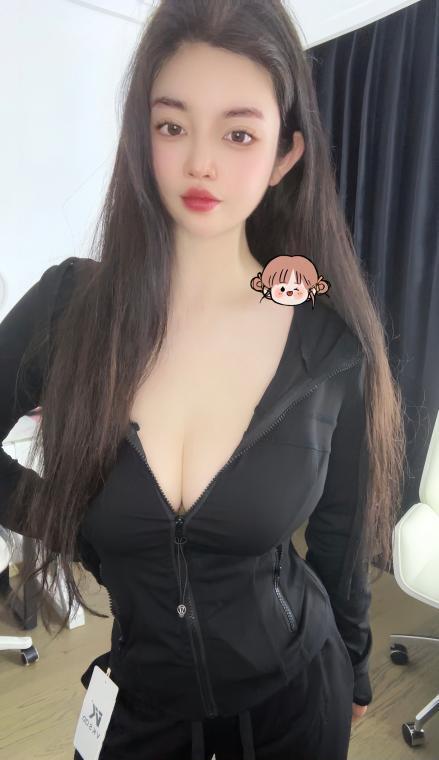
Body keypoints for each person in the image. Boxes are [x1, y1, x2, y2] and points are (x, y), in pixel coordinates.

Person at [0, 1, 406, 759]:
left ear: (284, 154)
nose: (201, 163)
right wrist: (74, 524)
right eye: (171, 125)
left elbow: (341, 538)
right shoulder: (67, 310)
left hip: (297, 698)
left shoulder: (326, 345)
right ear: (140, 135)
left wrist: (354, 666)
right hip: (140, 703)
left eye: (238, 133)